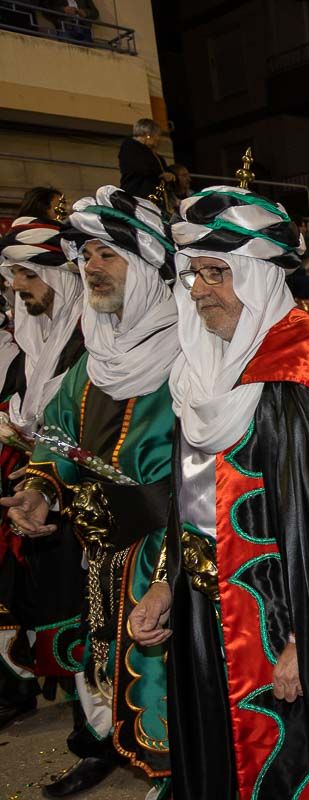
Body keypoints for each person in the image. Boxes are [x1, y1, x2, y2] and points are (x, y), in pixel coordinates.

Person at [127, 183, 309, 799]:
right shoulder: (199, 373)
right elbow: (194, 502)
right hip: (205, 618)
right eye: (194, 274)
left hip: (286, 629)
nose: (202, 288)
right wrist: (166, 580)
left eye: (217, 272)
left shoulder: (308, 372)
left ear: (258, 277)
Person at [2, 187, 179, 798]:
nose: (92, 267)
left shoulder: (193, 352)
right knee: (113, 670)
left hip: (177, 551)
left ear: (152, 266)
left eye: (108, 254)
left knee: (175, 674)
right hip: (105, 552)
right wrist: (39, 486)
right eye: (85, 257)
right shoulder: (95, 358)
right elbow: (57, 435)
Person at [0, 217, 86, 733]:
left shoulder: (88, 342)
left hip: (87, 508)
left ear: (55, 277)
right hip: (45, 500)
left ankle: (107, 742)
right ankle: (89, 737)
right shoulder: (32, 348)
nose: (16, 289)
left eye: (26, 278)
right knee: (61, 618)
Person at [118, 119, 173, 201]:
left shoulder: (154, 154)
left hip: (154, 196)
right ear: (148, 134)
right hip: (136, 195)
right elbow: (138, 167)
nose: (158, 138)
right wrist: (159, 174)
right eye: (157, 135)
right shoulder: (130, 147)